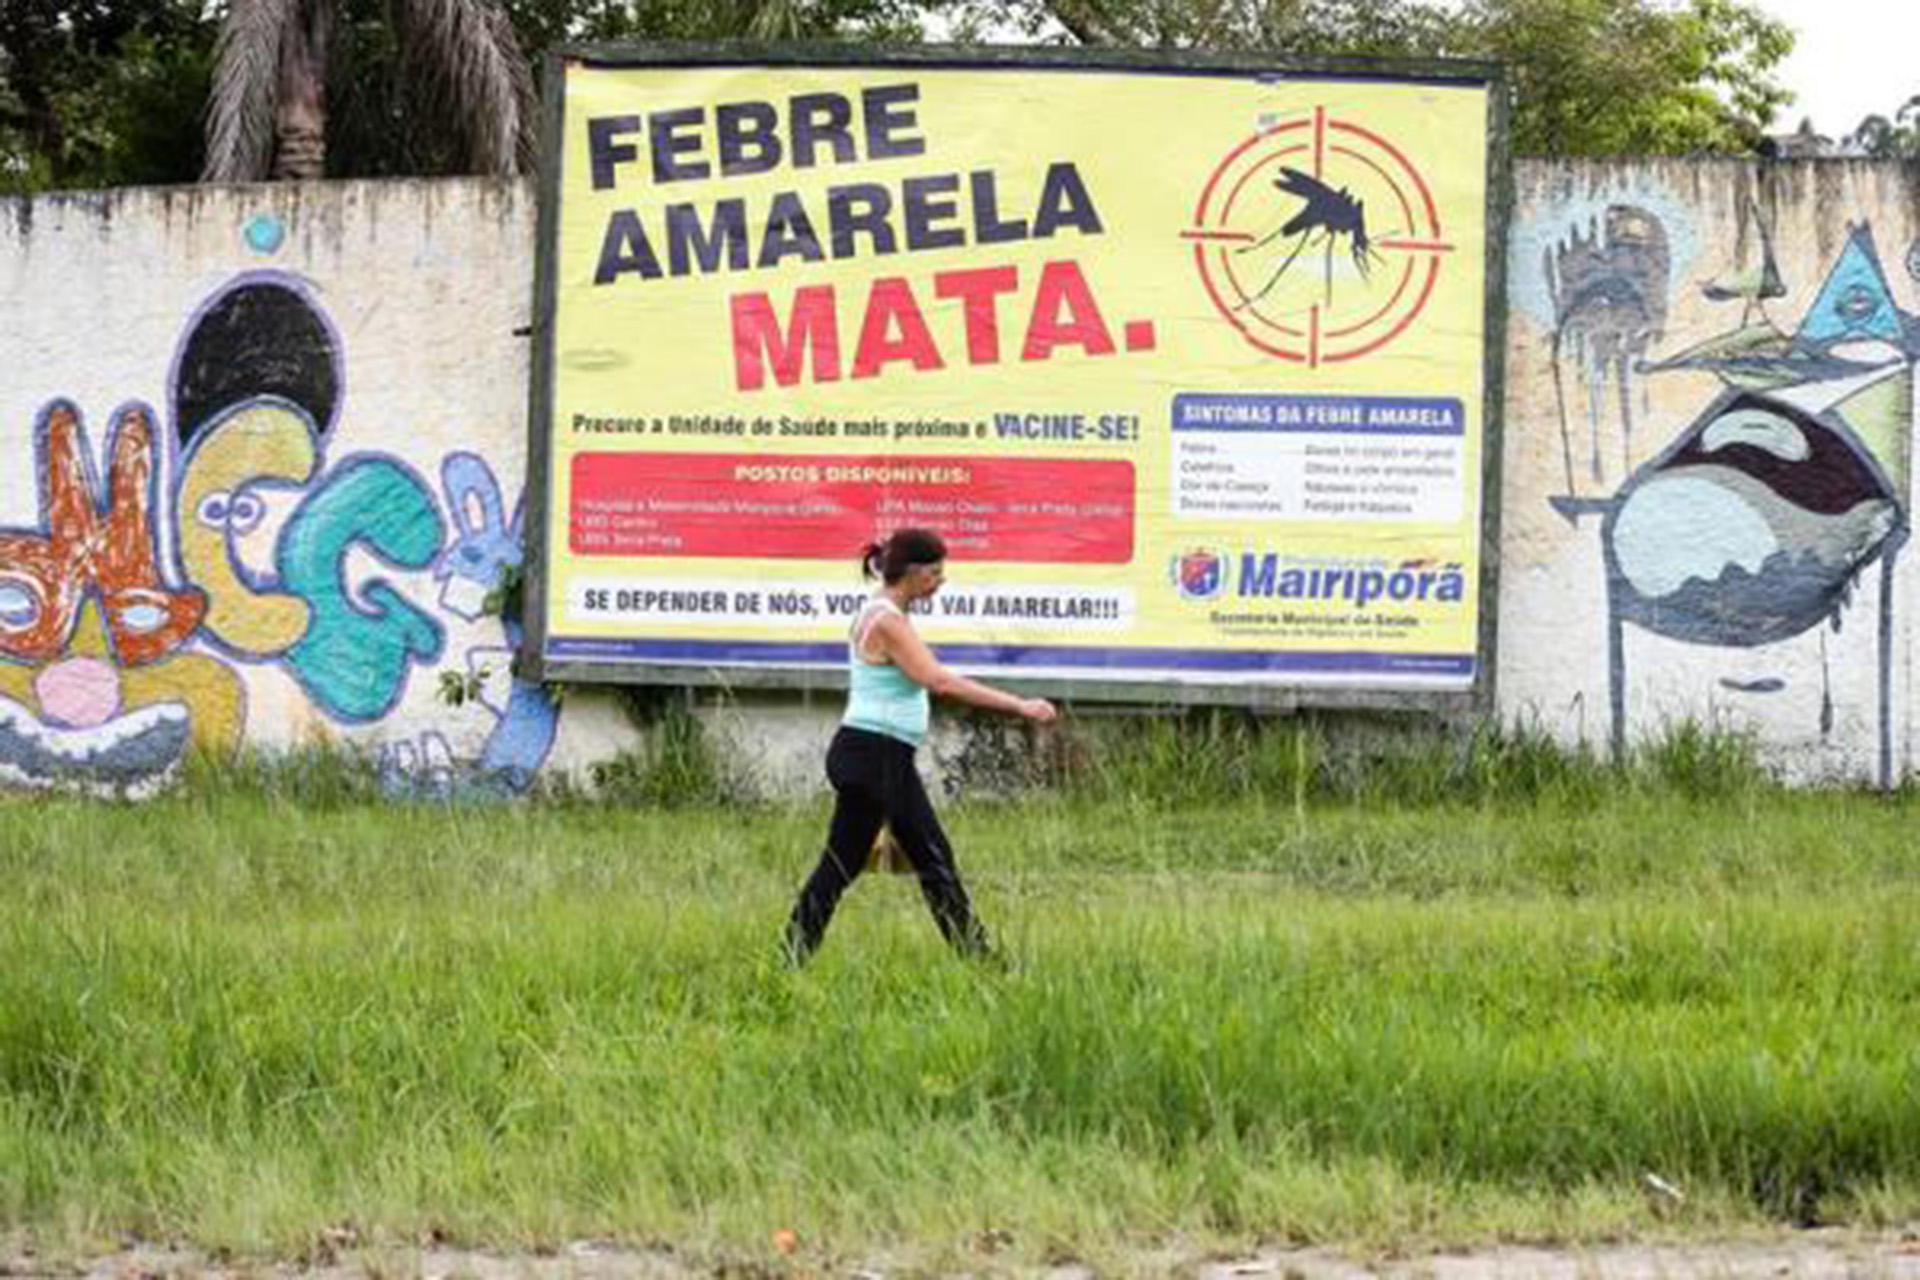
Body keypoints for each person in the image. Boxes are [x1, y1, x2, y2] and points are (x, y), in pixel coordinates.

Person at [783, 528, 1057, 963]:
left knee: (841, 865)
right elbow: (939, 681)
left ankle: (789, 956)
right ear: (910, 573)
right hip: (876, 757)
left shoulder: (883, 610)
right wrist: (1020, 706)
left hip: (869, 755)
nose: (941, 581)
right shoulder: (888, 620)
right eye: (934, 572)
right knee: (934, 858)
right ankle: (985, 964)